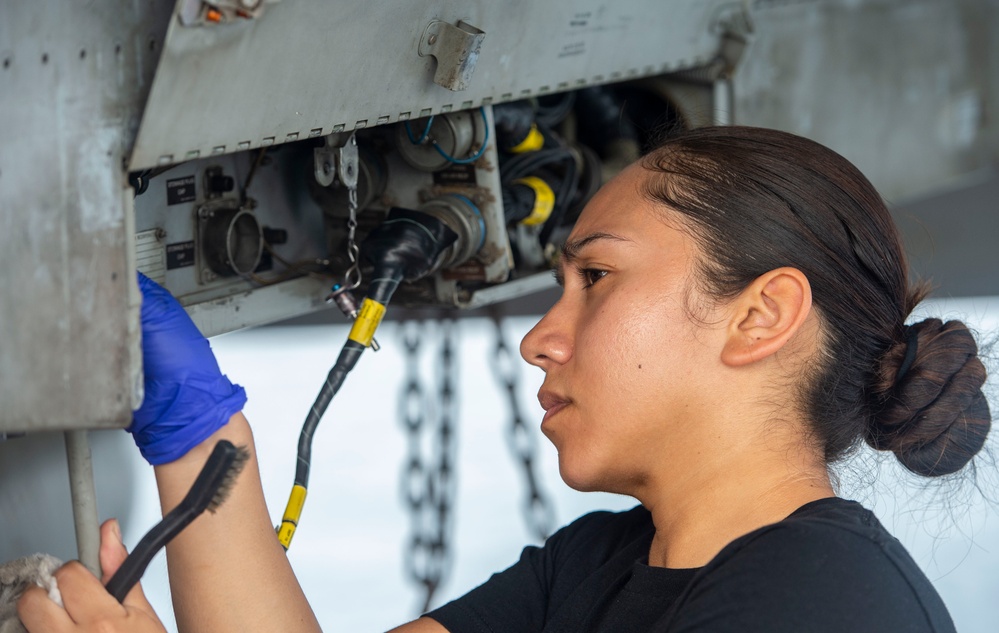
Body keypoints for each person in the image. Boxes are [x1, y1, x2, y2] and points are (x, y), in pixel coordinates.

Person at [17, 126, 991, 632]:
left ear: (761, 316)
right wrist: (205, 445)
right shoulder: (604, 567)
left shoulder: (825, 607)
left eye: (596, 280)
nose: (541, 339)